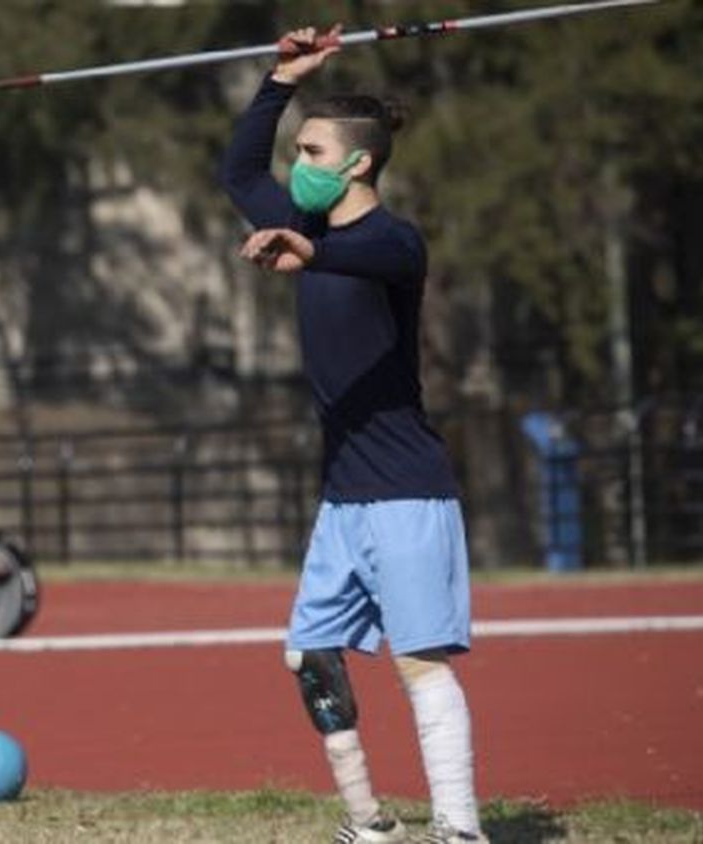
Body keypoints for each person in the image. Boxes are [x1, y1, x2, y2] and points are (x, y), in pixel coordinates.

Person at [219, 24, 485, 844]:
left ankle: (460, 828)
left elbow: (369, 258)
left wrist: (307, 252)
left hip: (407, 489)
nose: (296, 165)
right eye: (297, 149)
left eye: (312, 150)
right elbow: (236, 172)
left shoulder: (392, 243)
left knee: (418, 663)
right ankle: (370, 825)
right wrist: (281, 80)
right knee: (311, 655)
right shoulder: (316, 228)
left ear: (358, 163)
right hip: (344, 498)